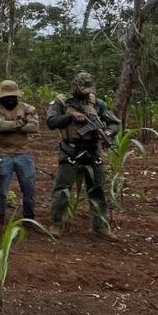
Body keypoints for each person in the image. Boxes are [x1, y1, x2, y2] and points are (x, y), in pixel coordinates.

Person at [46, 72, 121, 240]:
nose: (86, 92)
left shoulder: (97, 103)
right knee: (63, 188)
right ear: (75, 86)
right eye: (82, 88)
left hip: (93, 151)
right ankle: (56, 223)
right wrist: (71, 116)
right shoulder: (61, 102)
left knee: (97, 189)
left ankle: (100, 225)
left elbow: (114, 122)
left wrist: (108, 132)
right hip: (71, 150)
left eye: (88, 89)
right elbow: (51, 122)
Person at [0, 79, 40, 227]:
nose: (10, 99)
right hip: (3, 154)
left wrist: (10, 125)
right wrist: (22, 122)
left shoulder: (27, 108)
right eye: (6, 96)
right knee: (1, 191)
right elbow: (1, 126)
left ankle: (29, 219)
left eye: (12, 96)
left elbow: (34, 127)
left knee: (29, 190)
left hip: (23, 154)